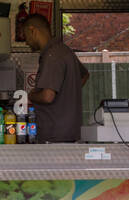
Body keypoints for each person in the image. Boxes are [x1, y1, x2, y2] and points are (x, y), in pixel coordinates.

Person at [22, 13, 89, 143]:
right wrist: (67, 94)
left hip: (54, 136)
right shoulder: (65, 51)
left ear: (33, 30)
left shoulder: (52, 56)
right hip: (70, 133)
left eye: (26, 36)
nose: (26, 42)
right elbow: (85, 75)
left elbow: (47, 96)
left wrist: (31, 95)